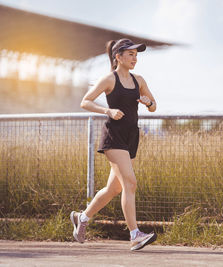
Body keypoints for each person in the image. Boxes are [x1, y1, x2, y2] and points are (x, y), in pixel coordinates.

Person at [70, 38, 157, 251]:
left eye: (136, 55)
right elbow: (85, 101)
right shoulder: (109, 79)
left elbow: (154, 106)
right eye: (130, 54)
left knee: (113, 189)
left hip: (131, 136)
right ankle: (135, 234)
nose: (135, 58)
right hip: (113, 136)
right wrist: (107, 111)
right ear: (118, 56)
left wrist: (148, 103)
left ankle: (82, 217)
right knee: (130, 183)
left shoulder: (139, 80)